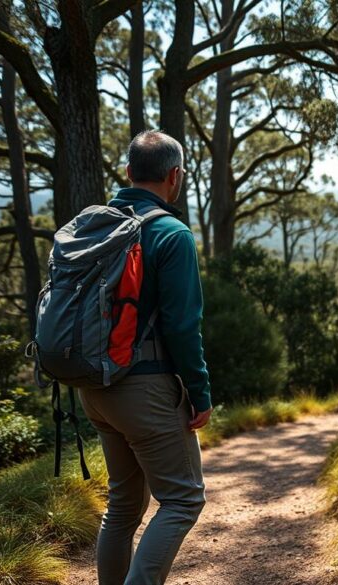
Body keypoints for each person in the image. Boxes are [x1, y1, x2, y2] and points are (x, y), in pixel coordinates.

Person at [78, 130, 212, 585]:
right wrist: (199, 392)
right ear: (174, 177)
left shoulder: (92, 225)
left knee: (123, 505)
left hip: (93, 387)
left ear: (129, 172)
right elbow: (182, 326)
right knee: (182, 500)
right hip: (145, 387)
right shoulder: (170, 234)